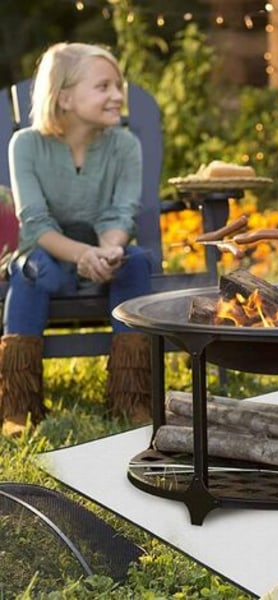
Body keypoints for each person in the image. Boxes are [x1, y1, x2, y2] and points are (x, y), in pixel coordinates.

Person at [0, 42, 154, 436]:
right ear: (64, 97)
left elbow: (120, 213)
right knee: (32, 274)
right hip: (46, 253)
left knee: (135, 262)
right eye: (103, 86)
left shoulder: (124, 145)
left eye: (118, 86)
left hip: (103, 252)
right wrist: (83, 254)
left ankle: (131, 398)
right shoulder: (26, 145)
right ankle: (18, 407)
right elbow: (33, 224)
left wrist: (109, 250)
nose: (117, 95)